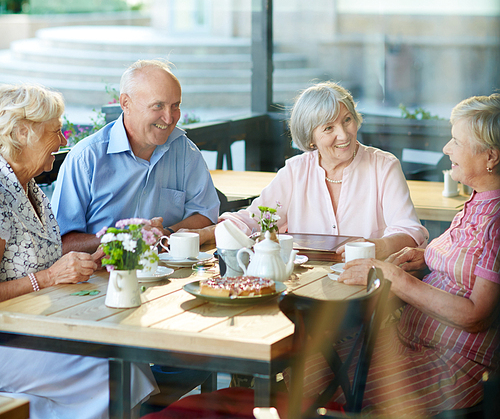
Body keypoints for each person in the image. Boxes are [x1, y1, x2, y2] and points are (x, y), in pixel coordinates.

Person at [332, 94, 500, 416]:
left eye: (455, 141)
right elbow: (469, 260)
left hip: (451, 361)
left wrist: (393, 277)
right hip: (409, 340)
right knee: (312, 365)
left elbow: (476, 315)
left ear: (490, 156)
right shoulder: (478, 201)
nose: (446, 150)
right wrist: (425, 255)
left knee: (331, 387)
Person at [0, 83, 157, 419]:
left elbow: (42, 262)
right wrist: (49, 277)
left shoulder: (31, 189)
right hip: (7, 341)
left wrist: (97, 255)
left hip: (37, 327)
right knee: (111, 371)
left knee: (127, 356)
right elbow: (43, 274)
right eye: (56, 131)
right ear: (22, 132)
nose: (62, 141)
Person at [196, 82, 428, 258]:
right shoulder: (296, 171)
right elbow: (255, 219)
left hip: (366, 281)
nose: (343, 134)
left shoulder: (383, 166)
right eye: (329, 128)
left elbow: (409, 230)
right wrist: (205, 234)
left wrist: (376, 246)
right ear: (311, 138)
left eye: (347, 120)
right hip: (303, 281)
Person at [52, 59, 220, 254]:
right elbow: (61, 244)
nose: (169, 118)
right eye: (158, 106)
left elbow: (205, 214)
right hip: (102, 278)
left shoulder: (184, 151)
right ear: (125, 103)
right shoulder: (85, 159)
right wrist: (119, 237)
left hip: (168, 274)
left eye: (175, 106)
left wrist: (164, 233)